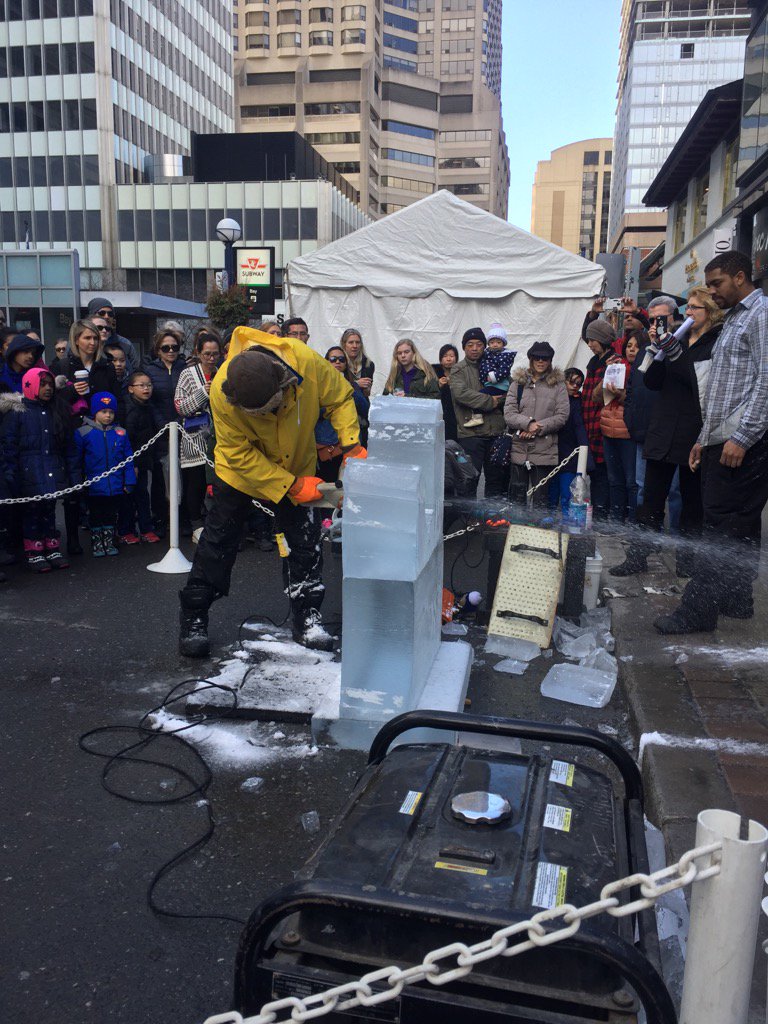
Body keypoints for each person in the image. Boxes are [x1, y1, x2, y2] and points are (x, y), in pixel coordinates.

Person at [178, 326, 364, 657]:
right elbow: (238, 454)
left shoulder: (304, 360)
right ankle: (194, 615)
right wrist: (290, 484)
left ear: (282, 383)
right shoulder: (222, 392)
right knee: (218, 542)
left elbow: (340, 397)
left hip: (297, 464)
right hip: (240, 474)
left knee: (304, 542)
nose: (264, 416)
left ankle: (307, 614)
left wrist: (351, 444)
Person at [652, 251, 768, 633]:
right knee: (742, 526)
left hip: (746, 444)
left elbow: (766, 384)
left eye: (717, 283)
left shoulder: (761, 315)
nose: (712, 291)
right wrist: (705, 438)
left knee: (718, 525)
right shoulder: (735, 319)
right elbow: (717, 388)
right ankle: (738, 599)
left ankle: (698, 612)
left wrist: (742, 437)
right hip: (722, 439)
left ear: (739, 276)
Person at [611, 287, 722, 579]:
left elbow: (698, 383)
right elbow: (651, 380)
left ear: (709, 312)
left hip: (692, 431)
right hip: (661, 427)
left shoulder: (714, 342)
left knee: (690, 502)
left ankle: (687, 561)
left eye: (695, 308)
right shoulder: (679, 338)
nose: (688, 313)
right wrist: (656, 349)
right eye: (688, 308)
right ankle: (638, 556)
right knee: (650, 499)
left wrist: (673, 351)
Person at [1, 367, 80, 572]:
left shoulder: (57, 411)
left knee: (49, 510)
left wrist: (72, 475)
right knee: (31, 512)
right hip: (28, 471)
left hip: (53, 467)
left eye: (50, 385)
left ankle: (52, 546)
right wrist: (12, 476)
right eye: (42, 384)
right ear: (30, 385)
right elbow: (8, 447)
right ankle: (34, 550)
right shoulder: (17, 414)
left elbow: (67, 446)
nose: (47, 389)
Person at [503, 341, 569, 507]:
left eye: (545, 358)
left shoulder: (559, 385)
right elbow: (509, 414)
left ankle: (539, 532)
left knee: (541, 502)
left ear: (550, 360)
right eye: (537, 357)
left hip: (545, 450)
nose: (541, 361)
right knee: (517, 502)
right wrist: (528, 424)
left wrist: (536, 428)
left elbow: (562, 415)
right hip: (519, 449)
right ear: (530, 359)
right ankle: (516, 531)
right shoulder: (517, 383)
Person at [75, 392, 136, 557]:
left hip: (115, 484)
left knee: (111, 514)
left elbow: (128, 459)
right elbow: (76, 460)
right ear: (95, 412)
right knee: (95, 514)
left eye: (111, 412)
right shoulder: (83, 432)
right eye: (103, 412)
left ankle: (108, 542)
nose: (108, 415)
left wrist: (129, 481)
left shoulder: (120, 433)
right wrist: (79, 482)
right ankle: (97, 543)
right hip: (93, 485)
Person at [450, 327, 507, 497]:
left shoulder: (496, 364)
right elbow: (461, 394)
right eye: (470, 345)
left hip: (495, 432)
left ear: (485, 346)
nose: (475, 348)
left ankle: (494, 521)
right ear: (464, 347)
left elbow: (507, 391)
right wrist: (490, 401)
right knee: (469, 481)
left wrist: (500, 398)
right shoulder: (458, 370)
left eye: (479, 344)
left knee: (496, 483)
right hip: (470, 435)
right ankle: (468, 522)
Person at [174, 332, 221, 530]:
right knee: (195, 483)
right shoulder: (187, 374)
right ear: (198, 353)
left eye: (215, 354)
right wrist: (203, 392)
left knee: (218, 484)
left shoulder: (223, 371)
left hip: (220, 438)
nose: (211, 358)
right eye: (207, 354)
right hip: (195, 438)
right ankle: (195, 524)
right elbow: (180, 407)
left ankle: (216, 523)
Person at [144, 327, 185, 533]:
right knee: (160, 478)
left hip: (183, 429)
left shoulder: (185, 368)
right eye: (165, 347)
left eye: (174, 347)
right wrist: (163, 424)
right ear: (158, 350)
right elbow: (148, 400)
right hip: (160, 432)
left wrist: (180, 421)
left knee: (184, 473)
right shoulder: (150, 371)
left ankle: (182, 519)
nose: (170, 351)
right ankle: (160, 519)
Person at [315, 346, 371, 482]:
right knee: (328, 484)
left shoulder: (352, 384)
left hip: (350, 443)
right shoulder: (317, 386)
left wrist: (347, 387)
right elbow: (316, 412)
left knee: (350, 483)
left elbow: (365, 409)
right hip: (328, 444)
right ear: (326, 362)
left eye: (341, 359)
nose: (337, 362)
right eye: (333, 359)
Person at [118, 371, 161, 544]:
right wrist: (132, 463)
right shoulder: (128, 409)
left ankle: (145, 528)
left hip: (144, 459)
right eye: (141, 385)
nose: (146, 388)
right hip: (130, 460)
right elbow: (128, 438)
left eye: (149, 385)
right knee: (128, 496)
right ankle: (125, 530)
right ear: (130, 389)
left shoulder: (148, 406)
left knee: (143, 494)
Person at [600, 335, 639, 523]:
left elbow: (638, 401)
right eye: (629, 346)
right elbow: (596, 398)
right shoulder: (617, 368)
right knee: (614, 479)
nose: (632, 349)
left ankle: (632, 520)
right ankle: (616, 520)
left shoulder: (641, 371)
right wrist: (607, 372)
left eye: (637, 347)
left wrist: (621, 395)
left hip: (628, 432)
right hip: (609, 430)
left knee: (632, 481)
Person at [581, 319, 617, 519]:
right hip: (589, 424)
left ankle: (602, 517)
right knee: (594, 472)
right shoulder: (594, 362)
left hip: (602, 425)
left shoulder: (614, 361)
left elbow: (603, 396)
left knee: (603, 473)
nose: (589, 344)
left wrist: (608, 374)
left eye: (592, 340)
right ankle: (595, 514)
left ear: (602, 339)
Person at [548, 367, 592, 515]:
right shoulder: (553, 399)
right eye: (571, 382)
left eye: (578, 384)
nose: (575, 386)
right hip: (551, 453)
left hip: (571, 454)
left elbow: (580, 428)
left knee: (568, 496)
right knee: (551, 496)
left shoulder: (580, 402)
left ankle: (568, 528)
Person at [465, 323, 517, 429]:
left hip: (499, 385)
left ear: (503, 343)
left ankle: (477, 416)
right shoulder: (487, 353)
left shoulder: (505, 356)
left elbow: (505, 370)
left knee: (481, 396)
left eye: (498, 342)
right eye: (492, 342)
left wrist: (494, 377)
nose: (495, 344)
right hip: (490, 384)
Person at [85, 297, 139, 375]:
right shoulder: (81, 342)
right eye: (102, 313)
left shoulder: (125, 344)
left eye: (110, 314)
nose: (107, 316)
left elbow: (135, 370)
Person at [432, 343, 459, 442]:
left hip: (455, 415)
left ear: (456, 358)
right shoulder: (433, 372)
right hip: (439, 414)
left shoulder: (460, 373)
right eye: (445, 356)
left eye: (452, 356)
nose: (448, 359)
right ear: (440, 359)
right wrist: (438, 385)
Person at [341, 328, 375, 397]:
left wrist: (367, 388)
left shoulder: (368, 364)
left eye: (357, 342)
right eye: (351, 342)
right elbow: (337, 388)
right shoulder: (338, 362)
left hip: (361, 404)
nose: (355, 346)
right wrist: (356, 384)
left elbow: (367, 394)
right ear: (344, 344)